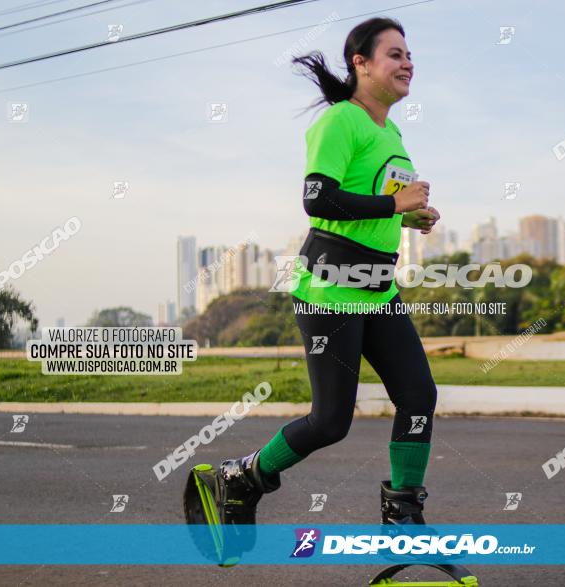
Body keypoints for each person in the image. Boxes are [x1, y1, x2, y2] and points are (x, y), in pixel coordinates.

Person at [186, 17, 443, 543]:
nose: (407, 63)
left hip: (378, 289)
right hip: (330, 290)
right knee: (330, 422)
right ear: (361, 64)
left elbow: (364, 202)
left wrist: (404, 217)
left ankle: (403, 514)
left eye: (409, 54)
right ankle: (242, 476)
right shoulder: (338, 123)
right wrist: (395, 202)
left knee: (419, 394)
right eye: (394, 54)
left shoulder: (390, 131)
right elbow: (318, 199)